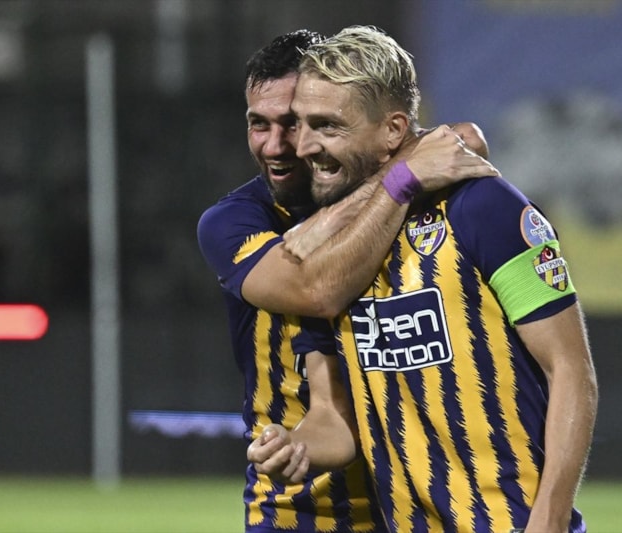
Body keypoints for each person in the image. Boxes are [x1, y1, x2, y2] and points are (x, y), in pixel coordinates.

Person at [248, 26, 598, 533]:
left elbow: (570, 369)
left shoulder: (482, 207)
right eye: (300, 123)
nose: (302, 145)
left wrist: (548, 521)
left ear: (393, 130)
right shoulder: (331, 256)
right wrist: (297, 445)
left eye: (326, 126)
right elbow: (339, 419)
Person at [197, 29, 499, 533]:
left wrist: (386, 185)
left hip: (422, 503)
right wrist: (399, 181)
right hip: (303, 509)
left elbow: (464, 138)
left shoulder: (398, 181)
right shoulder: (234, 222)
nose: (276, 145)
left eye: (295, 123)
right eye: (258, 124)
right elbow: (317, 291)